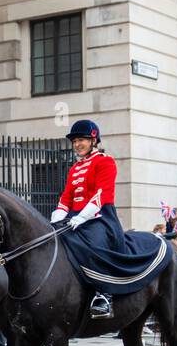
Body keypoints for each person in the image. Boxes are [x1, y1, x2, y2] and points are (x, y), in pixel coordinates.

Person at [49, 119, 158, 320]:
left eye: (81, 140)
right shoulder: (75, 168)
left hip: (100, 218)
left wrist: (82, 217)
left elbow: (101, 194)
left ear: (93, 140)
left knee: (94, 244)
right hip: (75, 218)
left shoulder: (105, 161)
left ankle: (103, 294)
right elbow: (66, 197)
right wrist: (56, 220)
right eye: (74, 141)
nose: (77, 144)